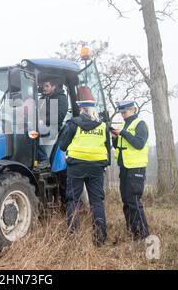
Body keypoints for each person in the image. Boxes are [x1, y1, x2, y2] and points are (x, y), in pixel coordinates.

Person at [58, 87, 111, 246]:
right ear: (94, 109)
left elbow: (62, 145)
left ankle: (73, 237)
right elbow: (107, 148)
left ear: (81, 109)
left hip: (76, 167)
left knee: (73, 200)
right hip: (96, 168)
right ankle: (100, 239)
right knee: (97, 202)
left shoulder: (74, 123)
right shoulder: (103, 126)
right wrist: (103, 164)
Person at [111, 101, 150, 241]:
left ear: (134, 109)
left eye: (124, 112)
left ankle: (143, 235)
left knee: (134, 201)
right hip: (125, 168)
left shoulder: (140, 124)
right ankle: (132, 231)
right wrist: (115, 138)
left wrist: (124, 133)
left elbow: (139, 144)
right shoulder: (124, 125)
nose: (122, 115)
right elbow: (119, 146)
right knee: (126, 201)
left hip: (136, 168)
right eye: (121, 112)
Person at [38, 81, 68, 164]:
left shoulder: (61, 98)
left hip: (53, 127)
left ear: (54, 86)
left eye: (47, 86)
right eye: (44, 86)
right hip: (43, 126)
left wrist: (43, 120)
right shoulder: (43, 98)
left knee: (32, 131)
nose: (44, 88)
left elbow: (59, 116)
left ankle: (44, 159)